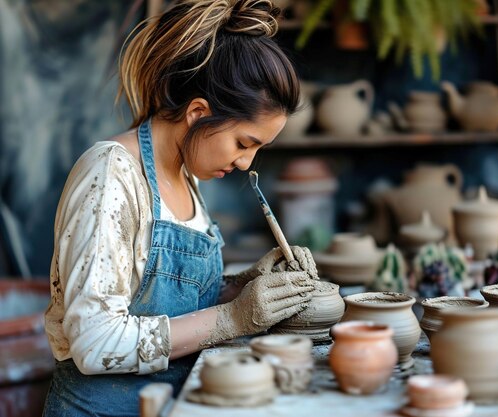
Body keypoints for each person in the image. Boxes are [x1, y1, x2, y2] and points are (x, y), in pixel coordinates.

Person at [42, 1, 317, 415]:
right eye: (244, 143)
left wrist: (245, 285)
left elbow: (175, 306)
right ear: (198, 113)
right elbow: (94, 342)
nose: (247, 163)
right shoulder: (111, 174)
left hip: (175, 400)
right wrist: (234, 319)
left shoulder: (185, 174)